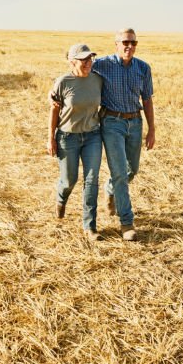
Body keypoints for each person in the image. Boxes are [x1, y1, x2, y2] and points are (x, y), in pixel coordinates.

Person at [92, 28, 155, 241]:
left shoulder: (143, 68)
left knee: (131, 170)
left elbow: (147, 99)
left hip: (135, 123)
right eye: (125, 42)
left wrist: (151, 129)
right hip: (111, 122)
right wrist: (55, 94)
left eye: (133, 43)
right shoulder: (101, 64)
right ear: (116, 44)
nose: (129, 46)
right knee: (119, 172)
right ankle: (126, 222)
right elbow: (77, 72)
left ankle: (110, 190)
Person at [47, 43, 105, 242]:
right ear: (72, 62)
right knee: (69, 180)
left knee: (91, 180)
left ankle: (90, 226)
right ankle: (61, 198)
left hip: (92, 136)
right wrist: (50, 139)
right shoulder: (63, 81)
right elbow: (54, 110)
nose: (88, 63)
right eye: (83, 59)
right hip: (67, 137)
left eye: (90, 59)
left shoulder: (97, 79)